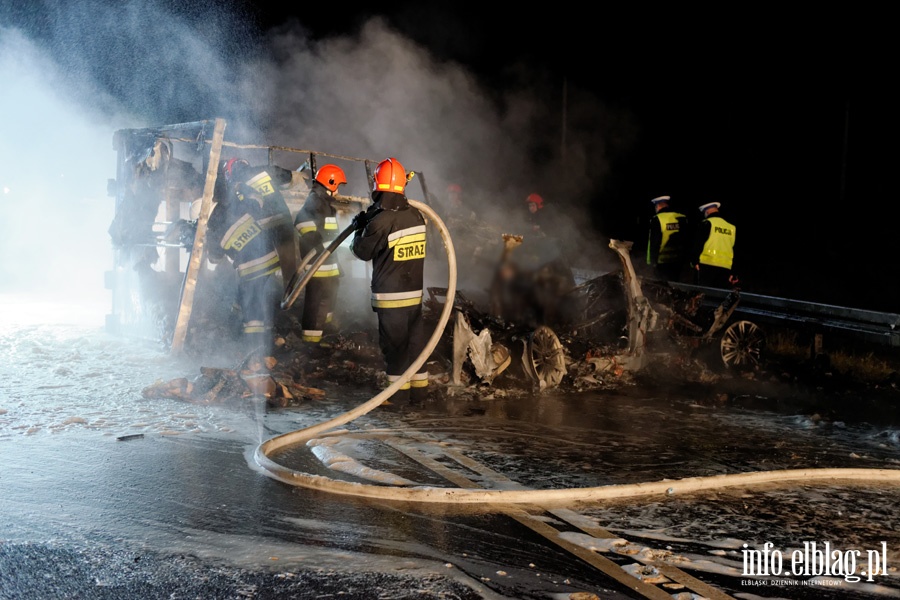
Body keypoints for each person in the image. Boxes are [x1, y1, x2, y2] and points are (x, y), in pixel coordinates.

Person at [350, 157, 429, 404]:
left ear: (378, 183)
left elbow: (361, 252)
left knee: (395, 351)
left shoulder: (380, 220)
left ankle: (397, 401)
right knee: (416, 348)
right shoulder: (417, 216)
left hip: (391, 298)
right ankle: (419, 396)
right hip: (414, 296)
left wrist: (358, 229)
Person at [205, 159, 286, 360]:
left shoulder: (219, 214)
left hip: (249, 267)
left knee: (253, 312)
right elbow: (260, 206)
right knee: (257, 302)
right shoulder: (248, 198)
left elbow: (215, 256)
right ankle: (261, 343)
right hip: (270, 260)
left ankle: (254, 352)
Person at [223, 158, 302, 285]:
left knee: (264, 265)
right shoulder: (264, 170)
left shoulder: (236, 186)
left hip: (263, 227)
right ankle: (291, 295)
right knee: (289, 267)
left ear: (230, 172)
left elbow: (240, 213)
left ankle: (262, 294)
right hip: (283, 220)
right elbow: (288, 178)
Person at [292, 164, 348, 345]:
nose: (338, 190)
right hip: (318, 264)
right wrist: (315, 240)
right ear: (330, 183)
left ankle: (326, 330)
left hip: (328, 262)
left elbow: (331, 233)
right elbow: (301, 222)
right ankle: (311, 341)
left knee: (329, 295)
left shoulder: (324, 203)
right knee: (316, 302)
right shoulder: (315, 200)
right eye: (337, 185)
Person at [692, 201, 738, 288]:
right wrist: (734, 271)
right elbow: (735, 250)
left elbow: (697, 244)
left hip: (706, 266)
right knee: (718, 297)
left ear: (707, 211)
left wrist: (694, 261)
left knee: (701, 296)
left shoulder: (706, 223)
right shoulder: (731, 227)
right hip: (725, 268)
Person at [646, 195, 688, 282]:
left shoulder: (658, 219)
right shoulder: (682, 218)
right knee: (675, 285)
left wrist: (653, 261)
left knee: (662, 286)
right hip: (679, 261)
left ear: (658, 206)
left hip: (662, 261)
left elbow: (655, 242)